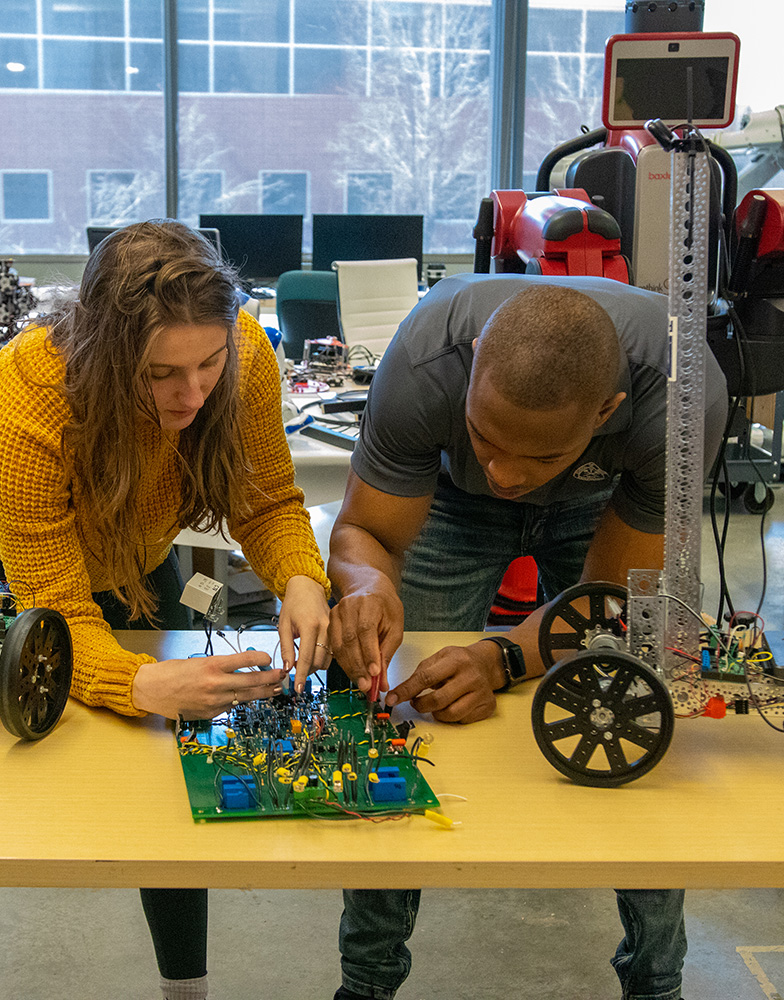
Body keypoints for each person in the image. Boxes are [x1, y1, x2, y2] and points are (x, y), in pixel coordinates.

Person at [0, 220, 332, 1000]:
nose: (192, 393)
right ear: (107, 356)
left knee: (170, 760)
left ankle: (186, 990)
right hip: (5, 551)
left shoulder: (242, 347)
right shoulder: (29, 386)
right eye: (160, 375)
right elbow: (56, 608)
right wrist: (140, 683)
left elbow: (266, 498)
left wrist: (301, 580)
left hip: (138, 551)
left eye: (208, 364)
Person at [323, 274, 728, 1000]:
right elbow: (365, 533)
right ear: (473, 362)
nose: (507, 475)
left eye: (536, 458)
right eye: (487, 437)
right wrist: (367, 586)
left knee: (629, 713)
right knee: (388, 709)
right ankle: (368, 981)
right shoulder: (425, 363)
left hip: (604, 499)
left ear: (608, 411)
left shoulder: (681, 398)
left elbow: (609, 612)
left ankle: (656, 983)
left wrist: (501, 654)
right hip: (450, 498)